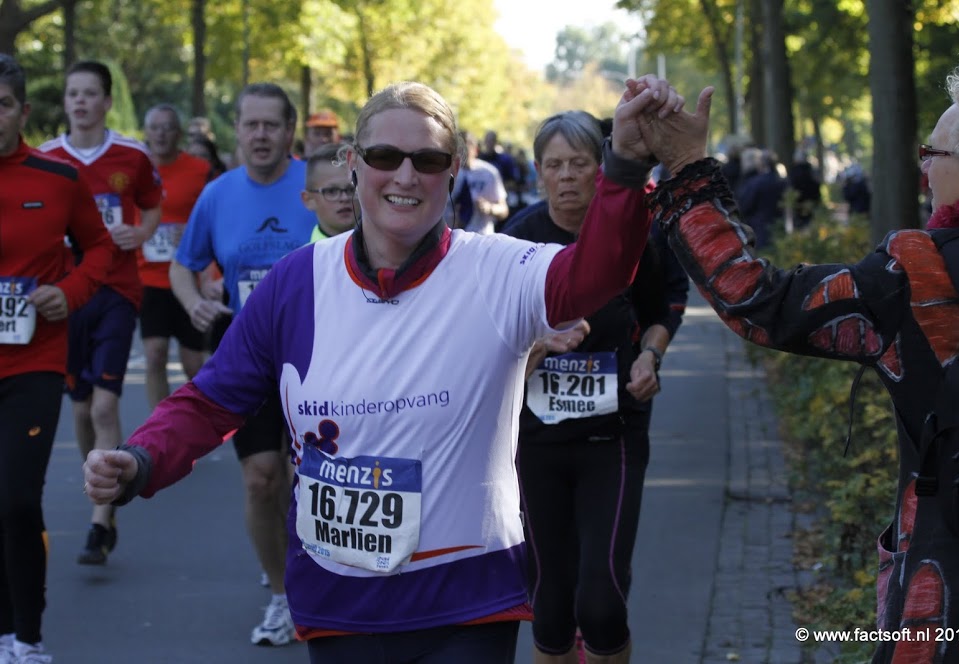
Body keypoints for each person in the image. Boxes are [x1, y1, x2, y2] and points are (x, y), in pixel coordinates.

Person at [82, 75, 686, 663]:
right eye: (384, 155)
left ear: (453, 169)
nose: (405, 175)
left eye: (427, 159)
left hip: (466, 600)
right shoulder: (296, 282)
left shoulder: (499, 271)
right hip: (338, 602)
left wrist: (626, 168)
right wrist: (140, 459)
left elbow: (601, 272)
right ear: (352, 162)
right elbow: (212, 400)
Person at [648, 53, 959, 663]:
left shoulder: (917, 270)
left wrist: (685, 170)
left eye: (932, 155)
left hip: (954, 597)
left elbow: (758, 299)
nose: (922, 172)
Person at [503, 110, 689, 664]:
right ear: (538, 173)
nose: (565, 177)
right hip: (535, 443)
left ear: (600, 170)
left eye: (578, 164)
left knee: (603, 605)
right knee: (551, 610)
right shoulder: (515, 244)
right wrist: (536, 350)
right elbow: (488, 346)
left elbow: (664, 310)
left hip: (614, 437)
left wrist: (650, 357)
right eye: (553, 165)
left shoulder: (636, 233)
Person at [168, 82, 316, 647]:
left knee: (311, 479)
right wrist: (193, 301)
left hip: (322, 350)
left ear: (289, 131)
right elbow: (185, 266)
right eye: (249, 125)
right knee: (262, 479)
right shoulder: (218, 194)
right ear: (237, 131)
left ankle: (323, 575)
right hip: (247, 352)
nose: (260, 135)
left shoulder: (316, 185)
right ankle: (283, 595)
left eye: (271, 125)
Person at [0, 53, 115, 664]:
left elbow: (98, 251)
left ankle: (28, 635)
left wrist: (66, 295)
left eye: (1, 104)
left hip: (33, 363)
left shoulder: (56, 179)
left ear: (21, 111)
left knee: (18, 500)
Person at [38, 60, 162, 566]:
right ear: (65, 103)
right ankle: (102, 483)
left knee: (107, 407)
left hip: (116, 288)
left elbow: (153, 204)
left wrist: (142, 234)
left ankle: (100, 517)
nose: (81, 102)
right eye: (73, 94)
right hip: (67, 293)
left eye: (90, 93)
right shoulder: (46, 159)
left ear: (107, 101)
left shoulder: (130, 155)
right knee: (83, 408)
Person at [137, 104, 212, 409]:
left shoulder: (198, 170)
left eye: (168, 127)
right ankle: (159, 430)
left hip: (187, 275)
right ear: (146, 132)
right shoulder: (134, 169)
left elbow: (212, 217)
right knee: (154, 355)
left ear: (179, 133)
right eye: (155, 127)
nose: (161, 134)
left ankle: (198, 421)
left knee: (192, 361)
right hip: (148, 276)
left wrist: (192, 230)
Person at [452, 130, 508, 234]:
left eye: (466, 148)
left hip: (482, 238)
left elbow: (504, 210)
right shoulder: (446, 174)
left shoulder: (489, 173)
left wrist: (490, 208)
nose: (461, 153)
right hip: (451, 240)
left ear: (476, 150)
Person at [301, 142, 356, 242]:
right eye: (331, 191)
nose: (344, 198)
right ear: (308, 200)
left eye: (351, 189)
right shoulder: (306, 257)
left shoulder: (385, 252)